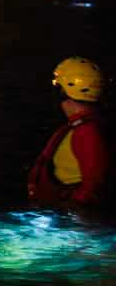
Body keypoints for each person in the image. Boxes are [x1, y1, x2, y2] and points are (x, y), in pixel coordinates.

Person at [28, 57, 108, 210]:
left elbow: (94, 185)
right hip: (58, 211)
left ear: (63, 91)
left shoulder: (86, 131)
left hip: (68, 216)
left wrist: (73, 211)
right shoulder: (83, 126)